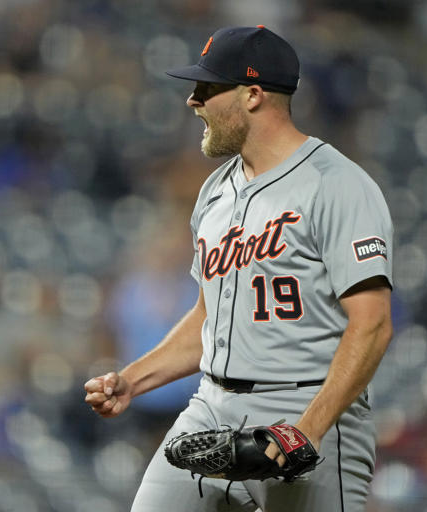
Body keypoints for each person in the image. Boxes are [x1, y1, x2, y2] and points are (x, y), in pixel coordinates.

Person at [85, 25, 394, 511]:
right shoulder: (214, 192)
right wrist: (134, 379)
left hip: (310, 410)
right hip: (211, 406)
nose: (193, 101)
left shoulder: (337, 186)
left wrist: (305, 431)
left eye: (208, 88)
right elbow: (211, 317)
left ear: (252, 95)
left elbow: (372, 324)